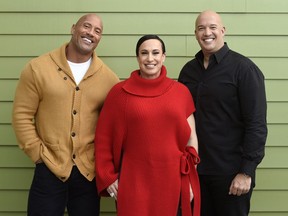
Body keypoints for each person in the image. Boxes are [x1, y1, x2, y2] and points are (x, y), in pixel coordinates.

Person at [12, 13, 119, 216]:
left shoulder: (108, 78)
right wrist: (38, 155)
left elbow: (114, 126)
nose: (91, 33)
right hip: (49, 167)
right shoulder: (38, 68)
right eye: (86, 26)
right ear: (73, 28)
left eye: (98, 31)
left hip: (88, 173)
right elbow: (22, 115)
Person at [94, 35, 201, 216]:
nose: (150, 58)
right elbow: (103, 138)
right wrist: (107, 176)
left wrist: (191, 179)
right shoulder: (119, 93)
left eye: (155, 53)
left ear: (163, 57)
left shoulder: (181, 92)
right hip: (134, 179)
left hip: (172, 179)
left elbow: (191, 138)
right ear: (137, 58)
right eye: (144, 53)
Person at [178, 10, 268, 216]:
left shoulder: (244, 69)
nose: (207, 32)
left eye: (212, 27)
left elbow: (256, 124)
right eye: (201, 28)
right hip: (195, 171)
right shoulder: (188, 71)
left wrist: (246, 172)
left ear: (223, 31)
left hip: (231, 173)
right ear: (195, 34)